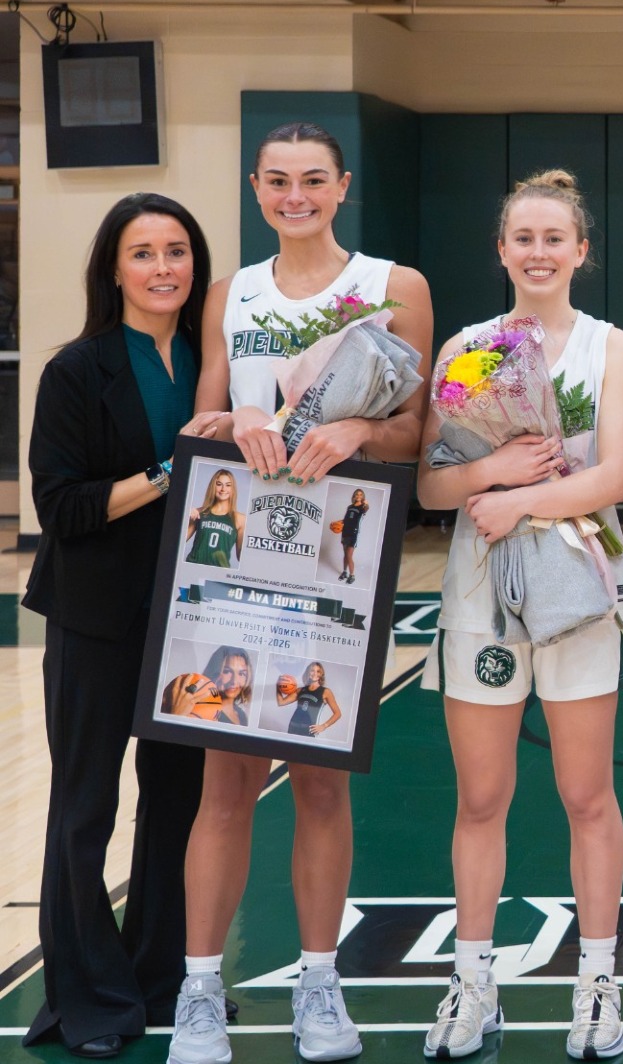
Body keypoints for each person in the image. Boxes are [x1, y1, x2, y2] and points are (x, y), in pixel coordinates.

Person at [169, 120, 434, 1064]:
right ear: (255, 186)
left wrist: (358, 434)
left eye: (312, 180)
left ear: (342, 184)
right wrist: (225, 420)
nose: (296, 196)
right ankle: (202, 995)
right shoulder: (228, 293)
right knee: (227, 779)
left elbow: (418, 431)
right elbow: (205, 417)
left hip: (337, 561)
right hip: (238, 555)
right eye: (278, 181)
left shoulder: (391, 286)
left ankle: (320, 986)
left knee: (320, 780)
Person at [416, 167, 623, 1061]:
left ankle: (597, 985)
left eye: (556, 238)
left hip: (580, 590)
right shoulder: (467, 348)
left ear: (580, 251)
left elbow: (615, 477)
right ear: (502, 250)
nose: (539, 252)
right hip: (481, 592)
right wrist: (491, 477)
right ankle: (474, 986)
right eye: (524, 238)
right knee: (481, 798)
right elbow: (433, 482)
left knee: (587, 796)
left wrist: (524, 504)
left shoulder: (611, 348)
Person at [22, 192, 221, 1060]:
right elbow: (60, 506)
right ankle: (87, 997)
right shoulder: (76, 368)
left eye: (177, 251)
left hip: (193, 618)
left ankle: (160, 976)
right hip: (97, 614)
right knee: (86, 805)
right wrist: (171, 471)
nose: (164, 268)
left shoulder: (213, 363)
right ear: (114, 267)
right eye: (144, 253)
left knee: (178, 804)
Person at [182, 470, 243, 567]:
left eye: (228, 485)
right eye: (219, 484)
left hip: (218, 573)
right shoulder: (198, 512)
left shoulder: (240, 519)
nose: (223, 489)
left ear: (233, 489)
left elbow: (242, 557)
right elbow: (178, 542)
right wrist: (183, 514)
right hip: (192, 567)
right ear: (213, 487)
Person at [282, 663, 343, 739]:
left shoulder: (326, 691)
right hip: (293, 727)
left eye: (318, 671)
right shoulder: (301, 690)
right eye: (312, 671)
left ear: (321, 674)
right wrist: (279, 687)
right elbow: (282, 702)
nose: (315, 674)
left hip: (308, 731)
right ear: (308, 672)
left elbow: (338, 713)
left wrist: (324, 726)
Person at [199, 647, 255, 727]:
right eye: (227, 671)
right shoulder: (203, 711)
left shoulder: (242, 716)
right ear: (215, 672)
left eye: (241, 674)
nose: (234, 681)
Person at [336, 488, 367, 584]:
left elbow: (366, 509)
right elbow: (345, 519)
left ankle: (352, 575)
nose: (358, 496)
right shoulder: (349, 507)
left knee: (349, 555)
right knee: (345, 554)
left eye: (360, 494)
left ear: (362, 497)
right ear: (354, 496)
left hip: (354, 533)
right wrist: (338, 523)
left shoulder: (363, 507)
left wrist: (366, 503)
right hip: (345, 532)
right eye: (357, 494)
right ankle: (344, 572)